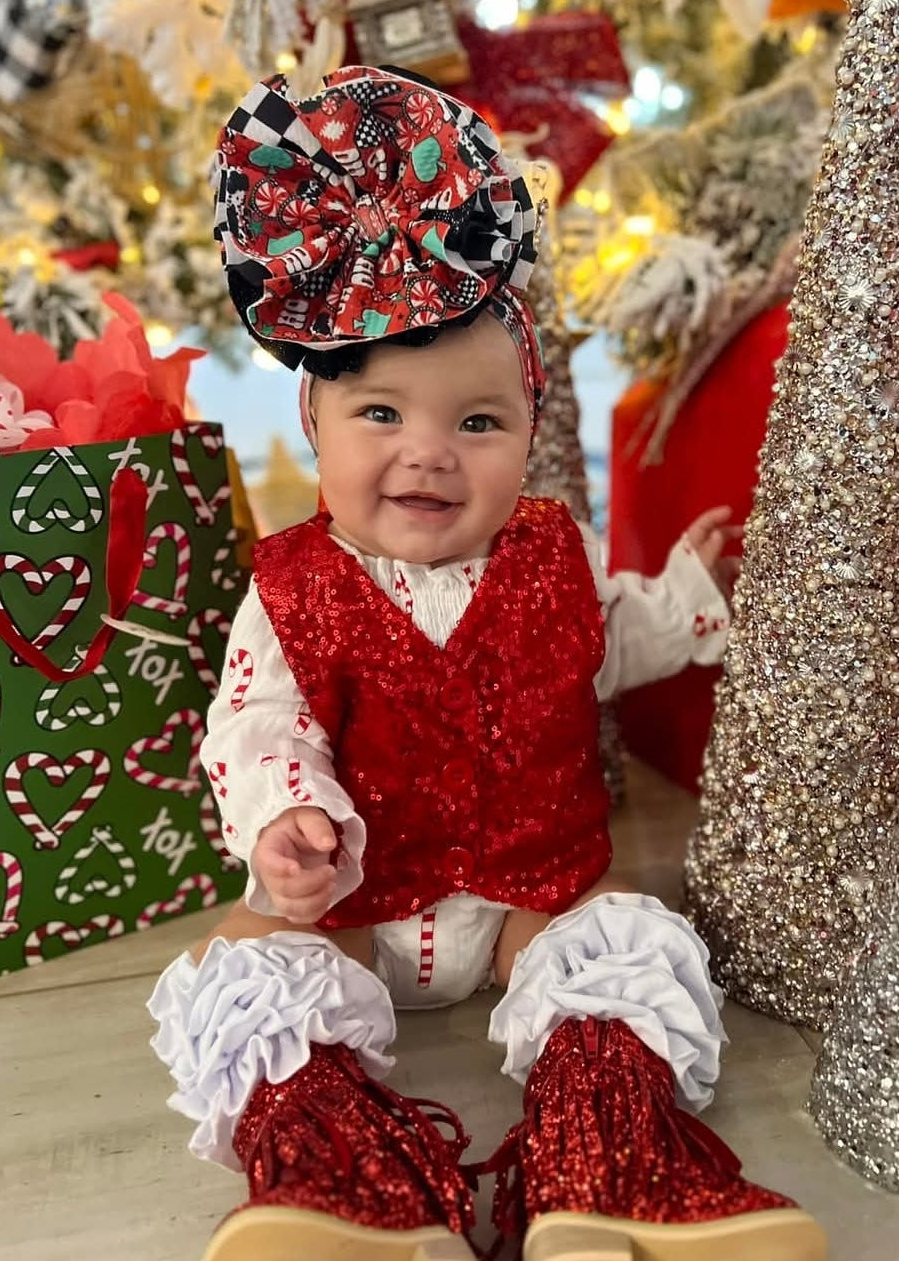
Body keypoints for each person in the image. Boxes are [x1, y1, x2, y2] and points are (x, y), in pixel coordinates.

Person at [147, 65, 826, 1261]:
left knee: (613, 928)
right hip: (353, 900)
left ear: (522, 434)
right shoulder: (294, 583)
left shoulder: (547, 555)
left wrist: (692, 596)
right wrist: (285, 822)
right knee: (251, 961)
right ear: (312, 424)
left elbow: (606, 636)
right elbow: (258, 724)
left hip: (522, 888)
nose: (428, 455)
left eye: (475, 421)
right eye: (380, 417)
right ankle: (345, 1186)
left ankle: (599, 1163)